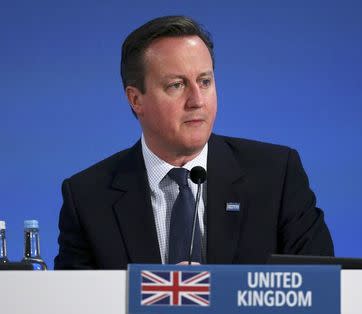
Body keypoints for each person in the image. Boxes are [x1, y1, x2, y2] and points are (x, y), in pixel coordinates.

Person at [54, 16, 334, 269]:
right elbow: (74, 304)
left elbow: (321, 289)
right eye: (176, 85)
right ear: (135, 99)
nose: (197, 100)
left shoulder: (276, 176)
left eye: (205, 81)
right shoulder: (88, 199)